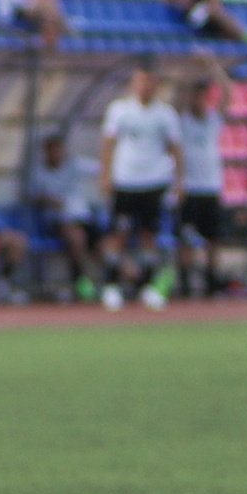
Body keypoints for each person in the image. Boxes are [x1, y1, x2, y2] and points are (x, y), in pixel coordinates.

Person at [97, 59, 181, 311]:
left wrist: (179, 180)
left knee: (148, 236)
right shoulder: (120, 111)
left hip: (153, 182)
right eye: (141, 81)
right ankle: (111, 285)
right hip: (125, 181)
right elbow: (108, 144)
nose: (145, 86)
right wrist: (106, 175)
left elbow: (176, 148)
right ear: (134, 83)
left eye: (150, 81)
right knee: (118, 234)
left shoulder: (165, 114)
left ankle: (147, 286)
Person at [29, 129, 101, 302]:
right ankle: (81, 279)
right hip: (59, 220)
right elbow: (33, 196)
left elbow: (101, 168)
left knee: (105, 244)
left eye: (59, 149)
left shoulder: (75, 165)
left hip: (84, 217)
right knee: (76, 237)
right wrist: (49, 200)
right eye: (52, 149)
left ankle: (113, 283)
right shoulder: (39, 172)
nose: (56, 153)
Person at [173, 77, 229, 297]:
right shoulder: (183, 121)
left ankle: (211, 281)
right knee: (186, 238)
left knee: (213, 239)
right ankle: (185, 282)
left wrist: (211, 66)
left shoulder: (214, 119)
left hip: (211, 187)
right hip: (190, 188)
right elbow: (177, 100)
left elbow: (228, 93)